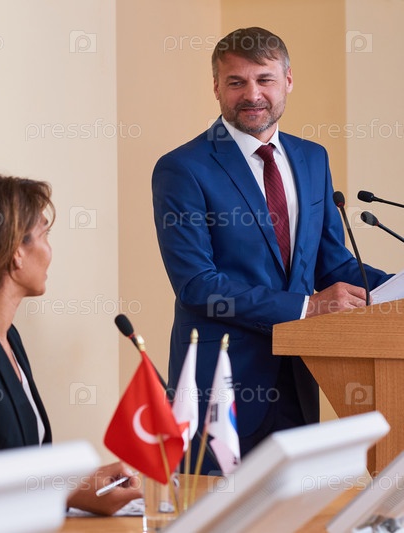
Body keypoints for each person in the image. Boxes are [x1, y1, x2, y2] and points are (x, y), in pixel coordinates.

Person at [152, 27, 391, 470]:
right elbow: (197, 285)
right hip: (219, 387)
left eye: (265, 79)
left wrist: (397, 289)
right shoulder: (182, 168)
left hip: (299, 377)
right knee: (214, 505)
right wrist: (308, 308)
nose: (252, 94)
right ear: (216, 87)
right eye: (236, 82)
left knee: (297, 503)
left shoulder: (312, 158)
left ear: (288, 81)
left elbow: (330, 263)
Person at [0, 174, 142, 515]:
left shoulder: (7, 335)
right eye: (45, 234)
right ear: (16, 252)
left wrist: (80, 483)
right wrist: (67, 491)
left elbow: (17, 464)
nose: (50, 251)